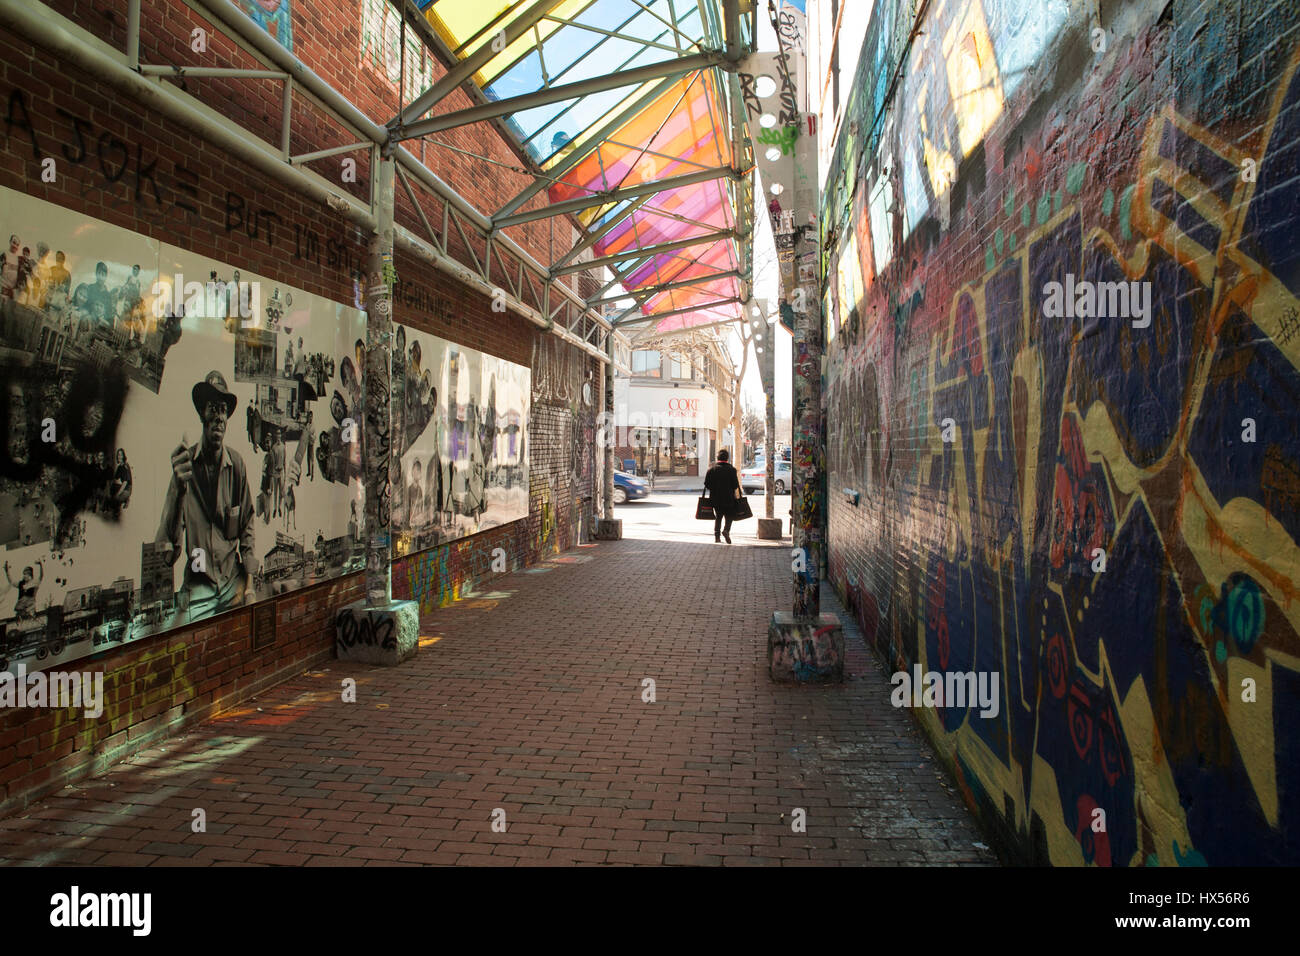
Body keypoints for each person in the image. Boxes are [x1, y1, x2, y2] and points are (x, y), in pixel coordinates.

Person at [155, 369, 257, 621]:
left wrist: (250, 584)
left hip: (233, 582)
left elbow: (247, 525)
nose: (219, 417)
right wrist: (178, 492)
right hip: (198, 587)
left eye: (223, 410)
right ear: (202, 414)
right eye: (213, 408)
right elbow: (167, 554)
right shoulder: (184, 468)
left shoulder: (237, 464)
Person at [704, 448, 742, 544]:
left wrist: (714, 488)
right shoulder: (732, 470)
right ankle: (726, 531)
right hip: (729, 499)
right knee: (729, 516)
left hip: (715, 499)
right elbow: (735, 485)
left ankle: (717, 537)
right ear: (727, 458)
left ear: (717, 458)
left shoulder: (712, 469)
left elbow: (707, 484)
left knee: (718, 517)